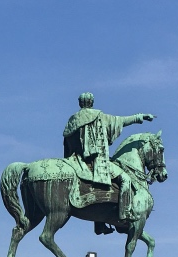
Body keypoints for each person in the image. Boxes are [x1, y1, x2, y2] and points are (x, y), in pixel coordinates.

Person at [62, 92, 155, 225]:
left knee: (98, 188)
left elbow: (67, 143)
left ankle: (100, 225)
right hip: (97, 160)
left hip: (76, 160)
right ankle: (125, 213)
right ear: (91, 103)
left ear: (80, 103)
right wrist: (140, 116)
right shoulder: (99, 116)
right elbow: (122, 121)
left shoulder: (72, 120)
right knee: (125, 180)